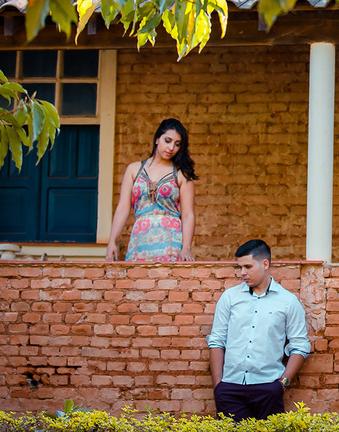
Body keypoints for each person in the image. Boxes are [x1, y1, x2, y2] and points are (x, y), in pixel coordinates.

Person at [207, 239, 310, 421]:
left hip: (268, 389)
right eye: (240, 267)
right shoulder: (230, 298)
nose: (242, 273)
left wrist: (282, 385)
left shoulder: (288, 302)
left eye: (248, 266)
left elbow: (300, 346)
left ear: (265, 264)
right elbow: (216, 340)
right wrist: (219, 386)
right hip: (230, 389)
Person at [105, 118, 198, 262]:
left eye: (177, 144)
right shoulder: (134, 169)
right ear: (157, 139)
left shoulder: (182, 174)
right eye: (167, 141)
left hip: (170, 243)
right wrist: (112, 241)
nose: (171, 148)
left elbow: (187, 215)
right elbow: (123, 208)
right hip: (139, 242)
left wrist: (186, 248)